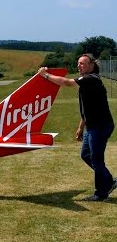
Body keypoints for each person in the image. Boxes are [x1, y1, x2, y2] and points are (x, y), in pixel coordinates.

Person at [38, 53, 116, 202]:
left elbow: (66, 83)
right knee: (85, 155)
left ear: (91, 66)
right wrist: (81, 127)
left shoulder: (91, 79)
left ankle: (101, 193)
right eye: (78, 63)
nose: (79, 65)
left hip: (100, 127)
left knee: (96, 159)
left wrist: (45, 75)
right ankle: (109, 181)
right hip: (92, 126)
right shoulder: (87, 82)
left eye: (83, 63)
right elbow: (88, 109)